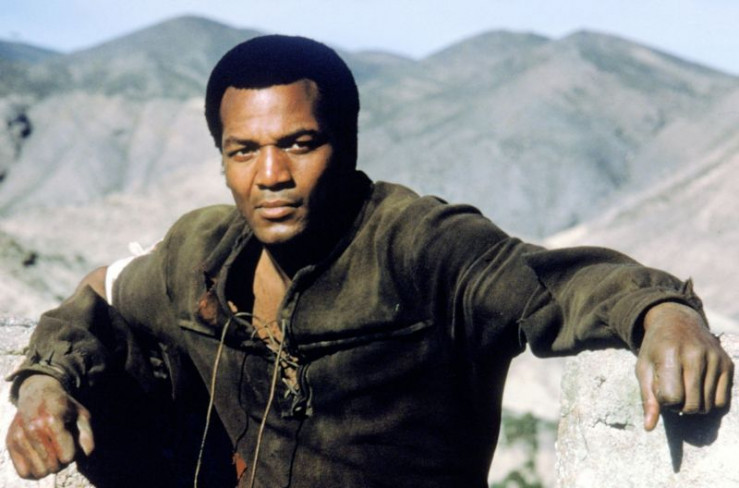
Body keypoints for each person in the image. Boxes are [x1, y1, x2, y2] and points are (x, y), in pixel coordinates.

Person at [5, 35, 733, 488]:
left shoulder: (421, 243)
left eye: (298, 144)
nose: (270, 175)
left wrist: (662, 312)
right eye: (243, 151)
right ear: (222, 160)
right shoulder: (202, 253)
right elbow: (101, 293)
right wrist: (45, 380)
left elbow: (563, 284)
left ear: (346, 142)